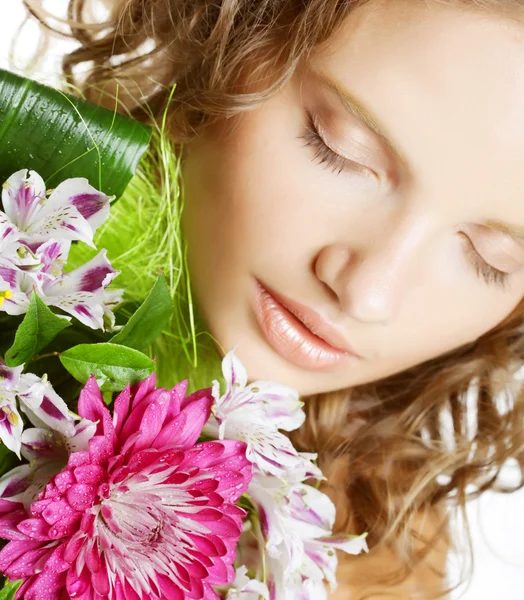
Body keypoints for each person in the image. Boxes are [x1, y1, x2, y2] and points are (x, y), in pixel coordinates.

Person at [28, 0, 524, 597]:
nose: (368, 294)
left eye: (490, 259)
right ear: (228, 32)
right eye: (338, 148)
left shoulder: (384, 551)